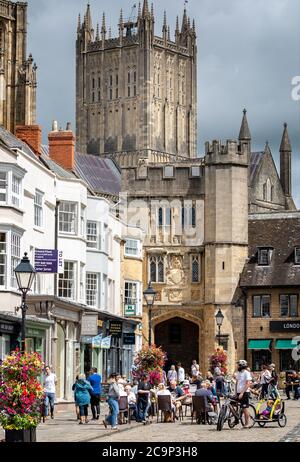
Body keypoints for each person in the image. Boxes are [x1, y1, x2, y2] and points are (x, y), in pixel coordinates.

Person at [236, 359, 252, 429]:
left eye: (238, 365)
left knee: (244, 408)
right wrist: (235, 392)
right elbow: (237, 382)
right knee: (234, 405)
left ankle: (247, 423)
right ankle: (236, 420)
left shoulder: (246, 373)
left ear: (242, 365)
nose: (237, 366)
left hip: (245, 392)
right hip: (238, 392)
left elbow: (248, 383)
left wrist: (242, 393)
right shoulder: (238, 373)